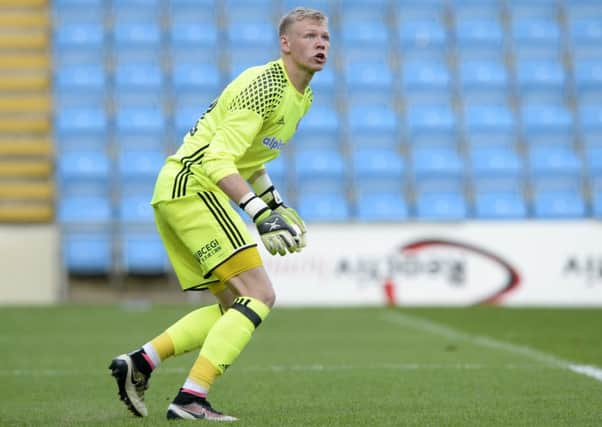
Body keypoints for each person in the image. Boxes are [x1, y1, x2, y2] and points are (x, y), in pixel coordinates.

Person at [108, 7, 330, 421]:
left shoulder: (304, 96)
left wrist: (275, 202)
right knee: (260, 294)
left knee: (234, 307)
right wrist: (259, 212)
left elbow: (248, 161)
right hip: (193, 187)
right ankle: (191, 397)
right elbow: (216, 161)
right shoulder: (265, 85)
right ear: (285, 43)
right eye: (309, 36)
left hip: (178, 190)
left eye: (325, 37)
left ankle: (141, 361)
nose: (320, 44)